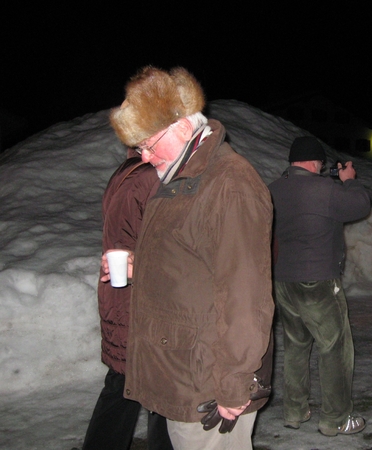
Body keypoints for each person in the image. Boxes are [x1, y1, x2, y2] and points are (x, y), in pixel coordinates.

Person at [105, 66, 274, 450]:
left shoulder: (229, 183)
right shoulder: (181, 178)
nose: (145, 158)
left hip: (211, 384)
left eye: (149, 144)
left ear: (183, 125)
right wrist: (137, 265)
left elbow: (244, 293)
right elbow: (188, 260)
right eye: (139, 149)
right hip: (182, 371)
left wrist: (235, 382)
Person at [268, 136, 370, 437]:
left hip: (283, 281)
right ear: (316, 162)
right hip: (319, 282)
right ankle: (335, 419)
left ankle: (295, 411)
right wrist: (349, 180)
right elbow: (360, 205)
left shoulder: (272, 190)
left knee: (296, 347)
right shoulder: (326, 189)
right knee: (335, 349)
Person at [82, 151, 173, 450]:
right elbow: (160, 244)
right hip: (138, 300)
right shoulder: (150, 176)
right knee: (159, 392)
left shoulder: (125, 172)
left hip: (120, 298)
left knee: (122, 387)